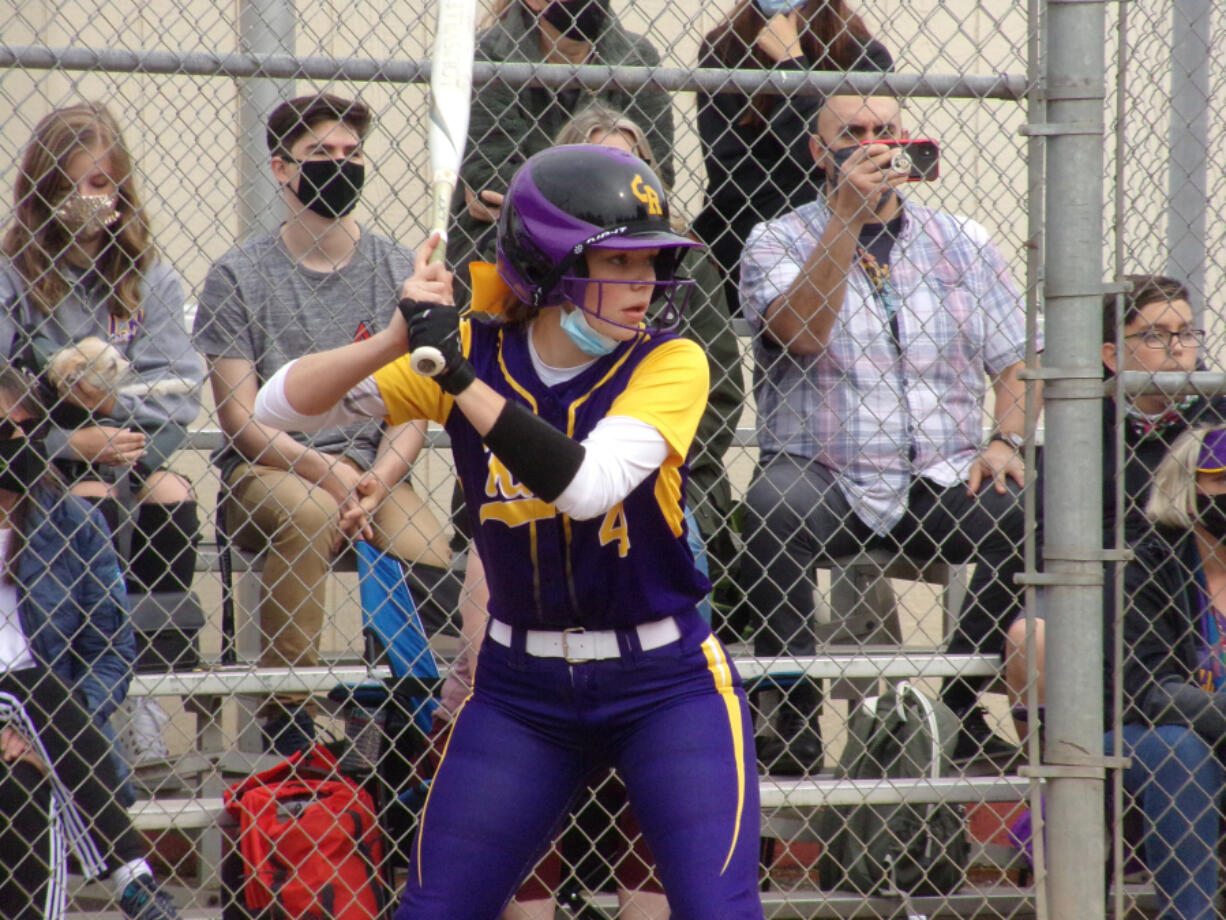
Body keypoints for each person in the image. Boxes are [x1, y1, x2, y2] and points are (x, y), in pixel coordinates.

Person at [254, 144, 765, 919]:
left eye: (653, 262)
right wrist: (395, 338)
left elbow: (587, 488)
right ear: (551, 268)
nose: (648, 285)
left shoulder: (672, 360)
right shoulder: (478, 347)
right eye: (621, 264)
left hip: (665, 682)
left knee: (718, 909)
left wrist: (457, 380)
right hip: (522, 691)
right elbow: (279, 408)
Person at [739, 93, 1035, 773]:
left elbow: (1021, 362)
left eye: (886, 132)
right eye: (853, 134)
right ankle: (790, 718)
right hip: (823, 474)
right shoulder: (775, 239)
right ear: (819, 153)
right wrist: (844, 219)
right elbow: (803, 335)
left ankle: (957, 715)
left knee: (1024, 509)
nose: (873, 146)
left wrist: (1005, 442)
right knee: (769, 509)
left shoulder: (964, 241)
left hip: (942, 470)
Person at [192, 93, 451, 755]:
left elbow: (414, 408)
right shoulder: (239, 275)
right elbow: (241, 421)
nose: (341, 166)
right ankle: (292, 724)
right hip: (270, 472)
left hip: (369, 469)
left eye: (351, 154)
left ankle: (410, 722)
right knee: (308, 511)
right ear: (281, 169)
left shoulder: (397, 267)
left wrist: (377, 478)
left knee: (428, 548)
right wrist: (327, 471)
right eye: (320, 156)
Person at [0, 102, 204, 767]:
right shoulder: (12, 279)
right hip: (34, 464)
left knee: (170, 488)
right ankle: (76, 683)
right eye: (74, 185)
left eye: (101, 184)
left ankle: (139, 681)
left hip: (128, 450)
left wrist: (124, 446)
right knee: (84, 490)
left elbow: (174, 392)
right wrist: (66, 447)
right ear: (42, 189)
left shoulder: (149, 278)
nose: (91, 201)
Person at [1004, 274, 1226, 740]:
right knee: (1032, 638)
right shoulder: (1082, 412)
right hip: (1094, 571)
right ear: (1111, 355)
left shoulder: (1216, 410)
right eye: (1154, 335)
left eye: (1186, 332)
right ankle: (1061, 790)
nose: (1178, 347)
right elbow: (1050, 529)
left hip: (1183, 571)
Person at [0, 363, 179, 920]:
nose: (22, 444)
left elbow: (110, 650)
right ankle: (130, 872)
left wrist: (55, 729)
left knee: (25, 781)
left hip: (52, 728)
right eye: (8, 432)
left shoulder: (73, 522)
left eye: (34, 430)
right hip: (40, 714)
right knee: (35, 692)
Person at [444, 0, 676, 308]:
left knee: (671, 265)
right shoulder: (490, 54)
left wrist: (532, 203)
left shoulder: (637, 56)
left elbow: (656, 176)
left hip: (621, 240)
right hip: (507, 241)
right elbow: (488, 177)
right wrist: (599, 200)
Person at [1098, 425, 1226, 920]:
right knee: (1181, 747)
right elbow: (1147, 691)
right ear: (1187, 489)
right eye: (1222, 481)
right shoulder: (1144, 565)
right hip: (1137, 735)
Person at [694, 0, 892, 314]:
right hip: (749, 224)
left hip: (845, 221)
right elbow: (732, 177)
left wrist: (790, 66)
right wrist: (821, 176)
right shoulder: (724, 48)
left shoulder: (863, 54)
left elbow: (857, 165)